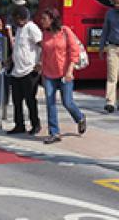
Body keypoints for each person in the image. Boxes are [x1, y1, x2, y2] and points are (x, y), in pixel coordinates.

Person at [38, 8, 87, 144]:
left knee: (67, 102)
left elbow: (74, 51)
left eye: (44, 19)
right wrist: (41, 66)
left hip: (65, 73)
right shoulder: (45, 34)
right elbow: (45, 53)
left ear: (52, 20)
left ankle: (80, 117)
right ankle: (54, 132)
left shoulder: (65, 31)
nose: (42, 22)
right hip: (49, 73)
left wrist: (70, 71)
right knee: (50, 102)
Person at [7, 5, 43, 135]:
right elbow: (18, 48)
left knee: (30, 99)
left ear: (21, 18)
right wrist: (10, 59)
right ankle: (19, 124)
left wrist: (40, 62)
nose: (14, 22)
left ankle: (35, 124)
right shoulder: (19, 29)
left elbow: (42, 45)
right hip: (17, 70)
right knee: (17, 100)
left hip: (29, 71)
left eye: (16, 19)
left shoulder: (32, 28)